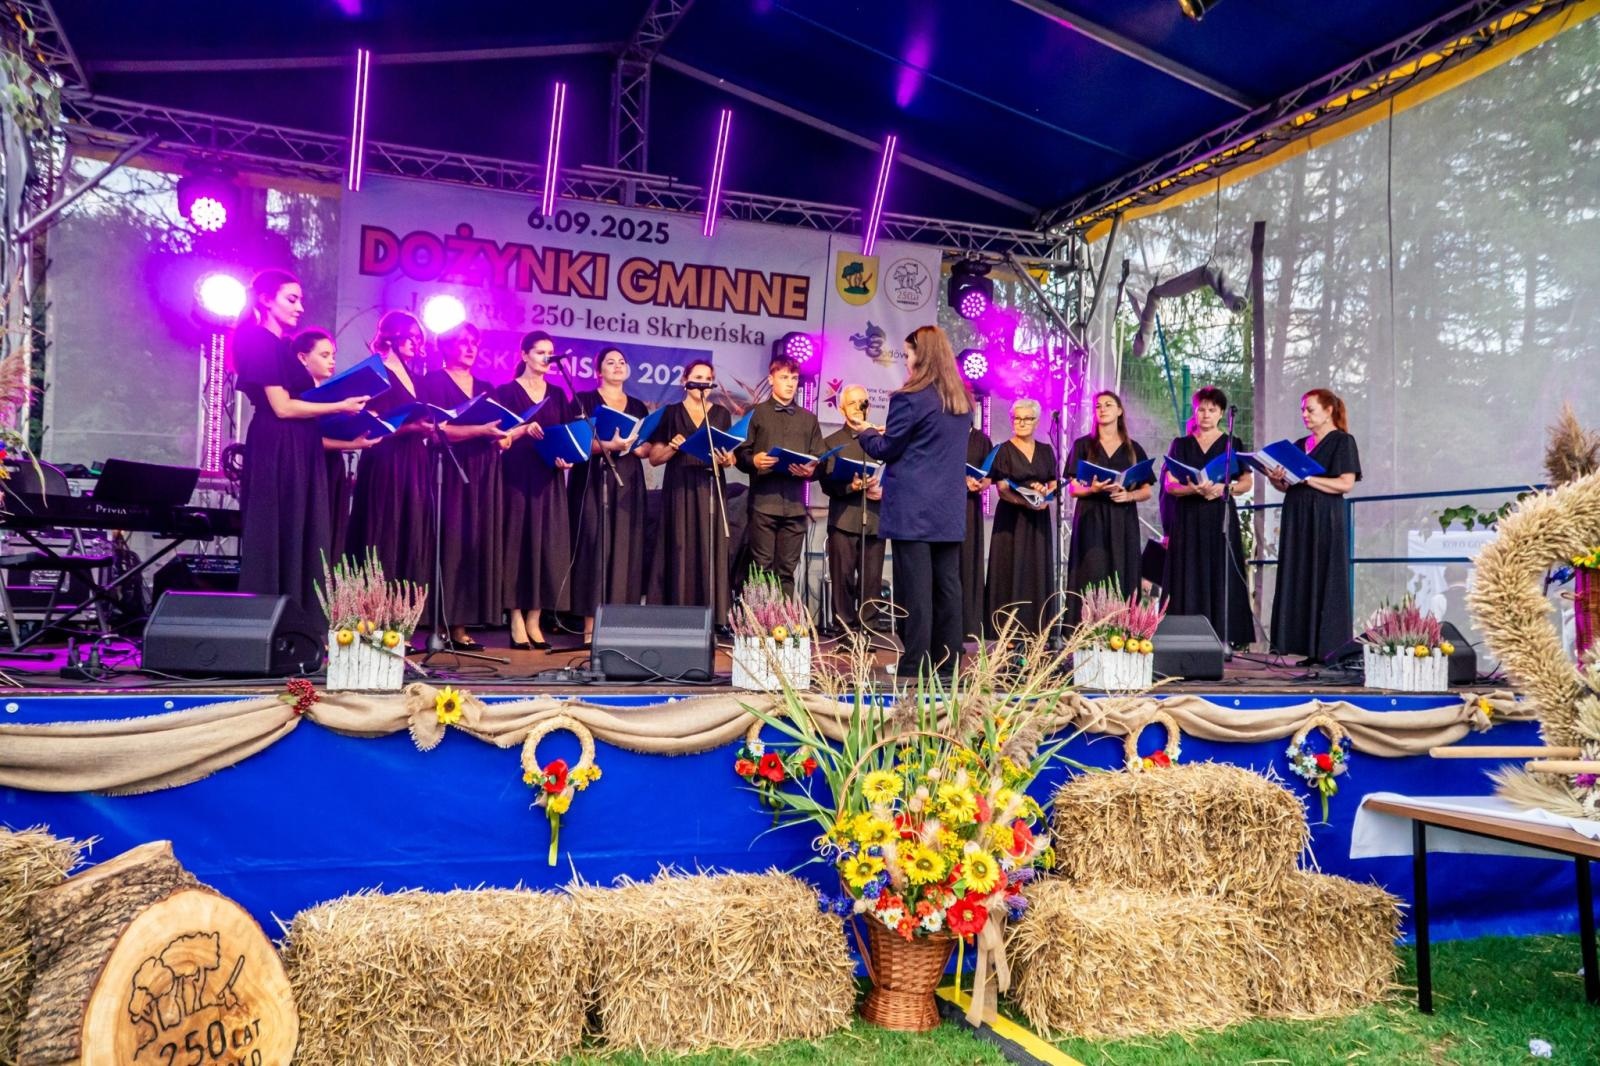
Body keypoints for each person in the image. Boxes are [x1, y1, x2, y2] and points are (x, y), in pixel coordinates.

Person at [235, 269, 367, 610]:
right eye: (291, 299)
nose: (299, 308)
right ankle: (269, 619)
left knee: (302, 531)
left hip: (299, 445)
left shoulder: (280, 345)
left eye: (300, 300)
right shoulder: (258, 340)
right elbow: (280, 407)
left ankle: (299, 619)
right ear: (266, 300)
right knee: (278, 530)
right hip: (278, 445)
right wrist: (339, 404)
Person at [847, 325, 970, 678]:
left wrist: (864, 430)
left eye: (909, 353)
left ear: (922, 355)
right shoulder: (961, 401)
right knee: (947, 588)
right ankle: (947, 663)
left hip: (913, 508)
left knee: (914, 590)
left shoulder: (909, 398)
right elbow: (929, 447)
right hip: (947, 508)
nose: (907, 360)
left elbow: (887, 449)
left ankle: (916, 663)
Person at [418, 322, 505, 649]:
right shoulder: (432, 382)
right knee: (448, 543)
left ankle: (460, 626)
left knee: (473, 546)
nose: (470, 348)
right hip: (449, 469)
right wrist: (479, 431)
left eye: (474, 343)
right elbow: (434, 430)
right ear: (447, 346)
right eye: (463, 342)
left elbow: (498, 430)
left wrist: (502, 437)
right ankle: (436, 625)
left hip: (484, 471)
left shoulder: (486, 387)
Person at [1268, 388, 1362, 664]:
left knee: (1325, 574)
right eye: (1302, 410)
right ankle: (1307, 647)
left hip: (1325, 517)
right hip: (1297, 516)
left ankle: (1329, 648)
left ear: (1329, 410)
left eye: (1310, 409)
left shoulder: (1342, 442)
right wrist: (1276, 478)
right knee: (1300, 574)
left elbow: (1345, 483)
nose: (1305, 415)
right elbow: (1287, 486)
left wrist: (1308, 480)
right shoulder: (1299, 445)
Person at [346, 310, 434, 589]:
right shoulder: (376, 370)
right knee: (384, 526)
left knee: (410, 527)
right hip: (385, 459)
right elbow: (369, 423)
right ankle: (372, 607)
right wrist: (411, 428)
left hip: (414, 459)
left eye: (418, 338)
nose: (415, 343)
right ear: (391, 337)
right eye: (409, 336)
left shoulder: (415, 376)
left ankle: (401, 609)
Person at [496, 330, 573, 650]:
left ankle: (535, 618)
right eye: (540, 352)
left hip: (548, 478)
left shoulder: (557, 394)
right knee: (517, 544)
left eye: (549, 352)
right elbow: (497, 436)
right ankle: (514, 615)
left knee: (545, 546)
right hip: (516, 476)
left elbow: (568, 435)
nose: (546, 358)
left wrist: (566, 458)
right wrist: (522, 429)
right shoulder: (506, 392)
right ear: (524, 355)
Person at [1162, 386, 1255, 647]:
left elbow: (1246, 481)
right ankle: (1183, 637)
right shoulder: (1180, 444)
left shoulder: (1231, 444)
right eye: (1201, 409)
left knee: (1220, 570)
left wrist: (1224, 488)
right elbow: (1170, 484)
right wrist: (1192, 488)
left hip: (1219, 515)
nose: (1205, 414)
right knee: (1187, 572)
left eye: (1212, 410)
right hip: (1188, 517)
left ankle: (1223, 636)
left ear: (1222, 413)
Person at [569, 346, 651, 643]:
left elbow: (645, 448)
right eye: (610, 362)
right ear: (598, 371)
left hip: (627, 481)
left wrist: (636, 447)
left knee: (624, 550)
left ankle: (618, 626)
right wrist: (611, 445)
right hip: (593, 480)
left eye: (622, 361)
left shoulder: (639, 406)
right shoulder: (586, 400)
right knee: (595, 548)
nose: (617, 366)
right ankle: (590, 628)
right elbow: (578, 444)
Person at [647, 359, 738, 621]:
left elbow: (730, 457)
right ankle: (677, 611)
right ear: (684, 381)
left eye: (707, 379)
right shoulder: (671, 412)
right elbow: (654, 457)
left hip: (710, 484)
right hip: (680, 487)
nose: (703, 383)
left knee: (708, 546)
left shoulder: (721, 414)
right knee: (679, 544)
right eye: (697, 377)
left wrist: (726, 459)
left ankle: (710, 615)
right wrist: (673, 447)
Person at [736, 356, 824, 597]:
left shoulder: (809, 419)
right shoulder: (756, 413)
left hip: (795, 506)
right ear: (771, 378)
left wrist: (812, 470)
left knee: (786, 571)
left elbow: (821, 458)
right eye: (784, 377)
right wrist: (753, 460)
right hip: (764, 503)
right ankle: (759, 624)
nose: (790, 383)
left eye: (794, 378)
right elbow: (741, 453)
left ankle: (783, 627)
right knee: (761, 568)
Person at [1064, 390, 1151, 623]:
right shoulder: (1083, 445)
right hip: (1091, 516)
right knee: (1092, 571)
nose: (1102, 409)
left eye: (1108, 404)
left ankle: (1121, 629)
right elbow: (1073, 488)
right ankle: (1084, 629)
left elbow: (1147, 490)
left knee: (1122, 572)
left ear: (1119, 411)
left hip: (1122, 517)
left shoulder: (1134, 449)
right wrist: (1092, 489)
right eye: (1098, 405)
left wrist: (1129, 496)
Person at [294, 328, 380, 562]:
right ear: (302, 357)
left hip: (332, 467)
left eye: (333, 355)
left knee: (332, 535)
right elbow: (308, 440)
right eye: (324, 355)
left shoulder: (331, 394)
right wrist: (352, 443)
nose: (331, 361)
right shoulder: (298, 395)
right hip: (308, 469)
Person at [986, 398, 1060, 637]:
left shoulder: (1047, 450)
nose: (1021, 423)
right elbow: (1002, 488)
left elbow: (1053, 482)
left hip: (1039, 520)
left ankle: (1038, 630)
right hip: (1012, 519)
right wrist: (1027, 501)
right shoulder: (1003, 450)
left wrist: (1046, 494)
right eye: (1017, 418)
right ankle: (1007, 631)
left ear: (1036, 421)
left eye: (1027, 418)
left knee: (1036, 569)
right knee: (1010, 569)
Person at [820, 385, 885, 633]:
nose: (858, 406)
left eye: (863, 402)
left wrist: (885, 489)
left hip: (876, 519)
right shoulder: (833, 442)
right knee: (843, 578)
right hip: (844, 519)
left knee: (871, 581)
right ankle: (845, 631)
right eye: (852, 402)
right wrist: (851, 485)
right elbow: (826, 483)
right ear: (841, 408)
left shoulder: (881, 441)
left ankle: (869, 630)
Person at [961, 420, 993, 643]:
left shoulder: (981, 440)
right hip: (943, 506)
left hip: (970, 508)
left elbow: (991, 474)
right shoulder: (943, 431)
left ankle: (970, 626)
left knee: (969, 563)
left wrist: (982, 484)